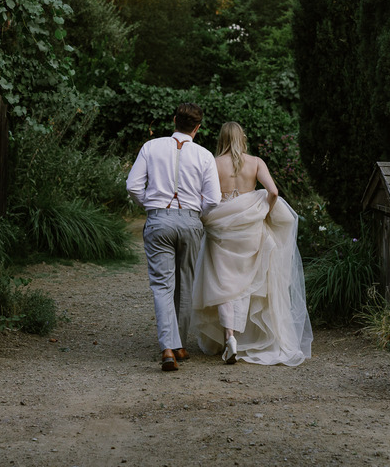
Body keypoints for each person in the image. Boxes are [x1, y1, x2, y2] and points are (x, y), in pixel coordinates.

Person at [192, 121, 313, 366]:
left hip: (222, 231)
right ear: (242, 138)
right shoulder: (256, 162)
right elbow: (274, 192)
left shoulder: (212, 163)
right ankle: (249, 336)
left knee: (224, 284)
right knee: (248, 282)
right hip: (250, 231)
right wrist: (262, 210)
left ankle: (230, 337)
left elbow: (203, 197)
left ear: (221, 139)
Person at [126, 103, 221, 371]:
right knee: (186, 283)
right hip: (190, 221)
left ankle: (168, 347)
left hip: (159, 220)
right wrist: (195, 215)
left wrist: (151, 206)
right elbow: (213, 199)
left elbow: (132, 186)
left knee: (162, 285)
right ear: (197, 128)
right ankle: (179, 346)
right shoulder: (204, 155)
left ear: (173, 121)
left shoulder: (151, 147)